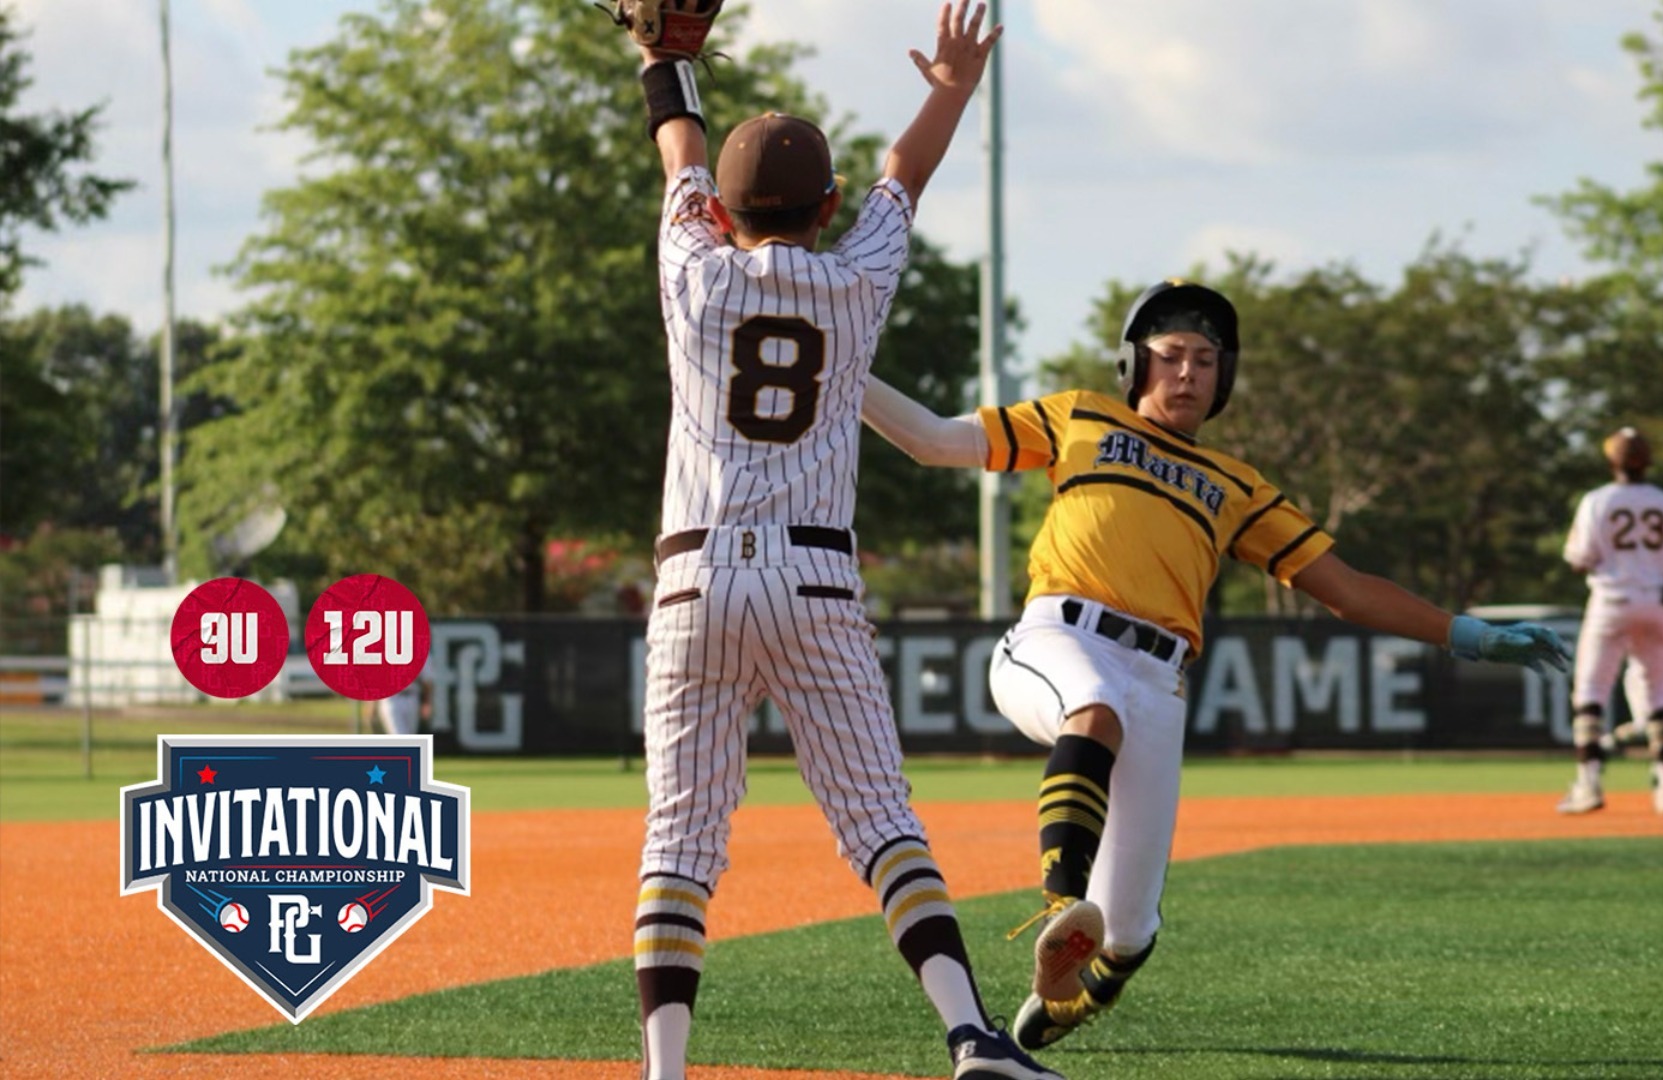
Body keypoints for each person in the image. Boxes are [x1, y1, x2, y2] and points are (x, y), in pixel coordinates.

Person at [859, 279, 1572, 1051]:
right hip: (1057, 638)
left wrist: (1466, 633)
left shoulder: (1238, 486)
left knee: (1129, 933)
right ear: (1135, 364)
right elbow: (933, 439)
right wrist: (841, 370)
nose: (1189, 372)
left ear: (1223, 377)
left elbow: (1348, 589)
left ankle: (1066, 992)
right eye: (1170, 356)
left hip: (1160, 682)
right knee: (1091, 707)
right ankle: (1059, 904)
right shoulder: (1079, 416)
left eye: (1206, 359)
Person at [623, 6, 1060, 1080]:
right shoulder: (858, 277)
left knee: (679, 841)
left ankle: (665, 1072)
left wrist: (662, 64)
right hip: (816, 577)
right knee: (879, 820)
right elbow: (903, 176)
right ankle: (970, 1036)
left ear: (721, 214)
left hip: (693, 578)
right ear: (826, 206)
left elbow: (679, 146)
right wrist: (951, 85)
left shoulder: (693, 268)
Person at [1559, 426, 1663, 815]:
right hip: (1657, 602)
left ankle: (1588, 785)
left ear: (1611, 460)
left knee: (1590, 692)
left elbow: (1577, 559)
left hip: (1610, 600)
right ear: (1648, 461)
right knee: (1656, 693)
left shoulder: (1596, 501)